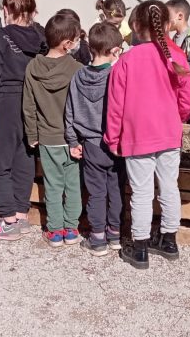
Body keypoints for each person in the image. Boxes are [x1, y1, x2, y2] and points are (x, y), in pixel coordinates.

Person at [104, 0, 190, 269]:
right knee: (169, 187)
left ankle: (141, 246)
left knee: (142, 192)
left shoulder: (126, 61)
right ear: (167, 25)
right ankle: (169, 240)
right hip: (168, 133)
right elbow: (189, 97)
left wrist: (113, 138)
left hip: (137, 135)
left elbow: (115, 106)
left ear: (134, 26)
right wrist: (175, 117)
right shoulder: (175, 56)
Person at [0, 0, 47, 240]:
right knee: (25, 157)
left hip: (7, 101)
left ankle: (7, 220)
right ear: (33, 9)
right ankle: (21, 213)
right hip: (34, 101)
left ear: (6, 9)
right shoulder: (42, 37)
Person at [23, 10, 84, 247]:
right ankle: (72, 228)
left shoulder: (32, 67)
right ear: (67, 43)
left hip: (47, 139)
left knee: (53, 185)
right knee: (73, 186)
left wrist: (32, 133)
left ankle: (55, 230)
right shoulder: (76, 69)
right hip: (72, 139)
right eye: (76, 40)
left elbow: (28, 104)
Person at [64, 22, 126, 257]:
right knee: (116, 188)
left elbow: (70, 111)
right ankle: (115, 233)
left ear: (90, 48)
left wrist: (72, 140)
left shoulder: (78, 76)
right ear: (115, 50)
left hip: (90, 143)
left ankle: (97, 236)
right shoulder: (116, 76)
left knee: (96, 192)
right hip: (115, 142)